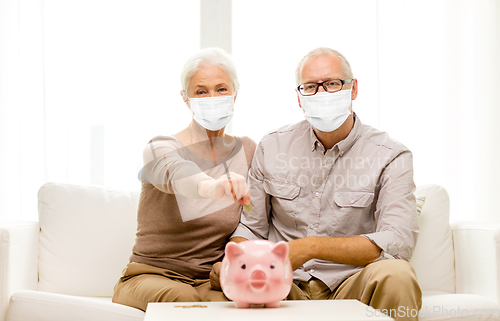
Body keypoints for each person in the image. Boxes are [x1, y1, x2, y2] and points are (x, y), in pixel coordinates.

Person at [211, 47, 422, 320]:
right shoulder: (272, 146)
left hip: (351, 282)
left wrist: (311, 247)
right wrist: (234, 260)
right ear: (299, 97)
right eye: (310, 87)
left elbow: (398, 240)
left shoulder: (390, 155)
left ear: (353, 89)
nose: (322, 94)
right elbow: (252, 226)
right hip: (282, 284)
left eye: (332, 84)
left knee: (397, 274)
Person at [112, 47, 257, 311]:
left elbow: (254, 219)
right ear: (185, 99)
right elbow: (176, 173)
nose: (212, 97)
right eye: (201, 91)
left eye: (221, 89)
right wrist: (211, 187)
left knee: (244, 303)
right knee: (185, 302)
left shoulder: (248, 150)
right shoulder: (161, 147)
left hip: (208, 281)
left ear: (235, 94)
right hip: (150, 275)